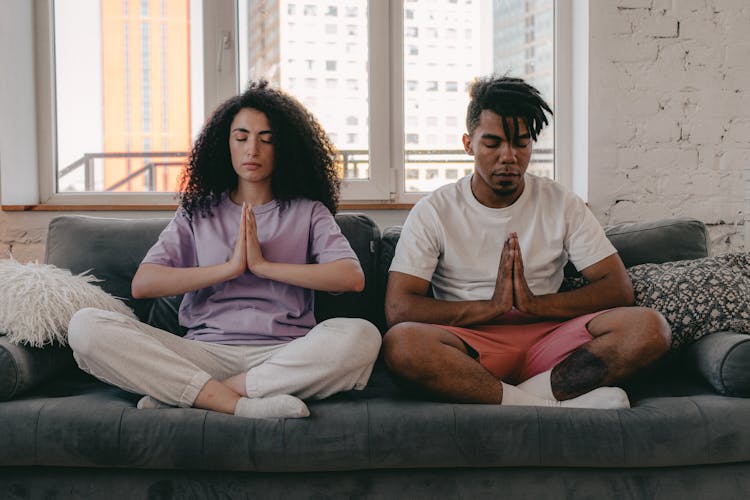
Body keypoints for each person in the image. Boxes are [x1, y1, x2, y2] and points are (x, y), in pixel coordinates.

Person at [67, 81, 381, 419]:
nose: (253, 151)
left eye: (267, 139)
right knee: (85, 326)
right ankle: (240, 403)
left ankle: (194, 393)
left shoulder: (308, 211)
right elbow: (144, 284)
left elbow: (350, 277)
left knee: (362, 336)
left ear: (284, 148)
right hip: (202, 352)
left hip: (284, 352)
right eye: (242, 137)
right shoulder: (197, 211)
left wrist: (262, 266)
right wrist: (230, 268)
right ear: (225, 144)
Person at [382, 75, 671, 409]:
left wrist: (534, 305)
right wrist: (491, 307)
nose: (509, 156)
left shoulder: (560, 201)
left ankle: (516, 399)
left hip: (551, 338)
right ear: (468, 144)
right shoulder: (435, 210)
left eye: (521, 143)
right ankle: (547, 404)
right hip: (471, 346)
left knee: (650, 328)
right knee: (401, 344)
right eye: (492, 143)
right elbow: (398, 308)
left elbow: (617, 288)